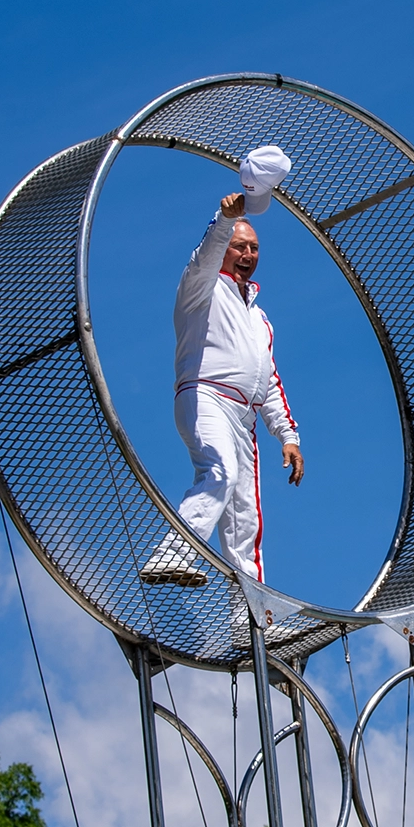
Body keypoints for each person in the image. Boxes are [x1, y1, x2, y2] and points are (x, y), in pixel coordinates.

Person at [140, 153, 304, 587]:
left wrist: (287, 436)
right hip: (205, 395)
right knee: (219, 471)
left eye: (254, 248)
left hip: (244, 416)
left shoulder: (260, 318)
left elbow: (269, 381)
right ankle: (172, 555)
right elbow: (205, 257)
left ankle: (251, 621)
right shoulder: (202, 288)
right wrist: (223, 220)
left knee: (245, 522)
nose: (248, 253)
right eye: (240, 246)